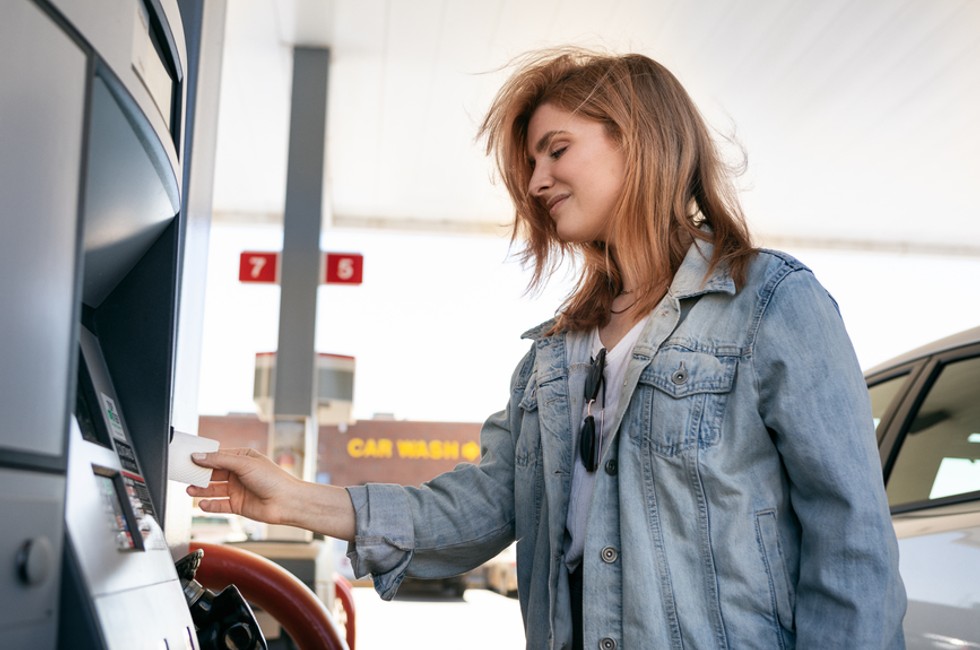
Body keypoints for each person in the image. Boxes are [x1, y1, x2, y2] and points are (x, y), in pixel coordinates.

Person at [189, 48, 906, 649]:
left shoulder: (773, 305)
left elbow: (851, 544)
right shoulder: (554, 356)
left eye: (557, 150)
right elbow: (482, 505)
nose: (535, 183)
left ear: (640, 137)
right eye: (532, 162)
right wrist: (300, 502)